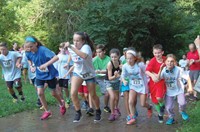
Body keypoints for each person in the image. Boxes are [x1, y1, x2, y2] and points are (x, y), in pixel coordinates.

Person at [25, 36, 66, 120]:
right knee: (40, 93)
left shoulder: (43, 50)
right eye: (27, 47)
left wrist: (46, 64)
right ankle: (47, 111)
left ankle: (62, 104)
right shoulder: (27, 52)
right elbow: (29, 59)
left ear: (36, 44)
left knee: (53, 93)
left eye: (31, 46)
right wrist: (32, 65)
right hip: (39, 74)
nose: (29, 49)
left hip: (50, 74)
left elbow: (56, 57)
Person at [64, 32, 101, 123]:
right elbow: (71, 55)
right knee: (73, 93)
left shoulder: (86, 47)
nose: (75, 43)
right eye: (74, 40)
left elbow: (83, 56)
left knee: (92, 95)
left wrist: (71, 47)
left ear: (83, 41)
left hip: (89, 73)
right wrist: (68, 63)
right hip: (78, 72)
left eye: (78, 41)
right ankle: (78, 112)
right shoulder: (72, 47)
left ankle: (98, 110)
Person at [158, 54, 193, 125]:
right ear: (165, 62)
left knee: (182, 103)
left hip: (179, 89)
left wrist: (190, 87)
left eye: (172, 61)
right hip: (169, 91)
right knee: (168, 107)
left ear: (175, 62)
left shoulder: (179, 69)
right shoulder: (164, 70)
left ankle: (182, 111)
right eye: (168, 61)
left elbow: (187, 77)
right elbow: (158, 79)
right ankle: (171, 118)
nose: (169, 63)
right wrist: (160, 69)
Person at [121, 49, 152, 125]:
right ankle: (133, 117)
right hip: (133, 86)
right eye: (127, 58)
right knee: (130, 102)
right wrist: (124, 80)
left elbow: (147, 71)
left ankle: (149, 107)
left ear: (135, 58)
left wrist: (152, 79)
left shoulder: (140, 65)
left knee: (142, 104)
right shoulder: (125, 66)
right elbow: (123, 75)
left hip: (142, 86)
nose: (129, 60)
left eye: (130, 58)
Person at [145, 44, 166, 123]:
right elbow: (147, 71)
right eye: (155, 53)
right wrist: (152, 75)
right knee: (155, 101)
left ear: (162, 52)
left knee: (159, 97)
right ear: (153, 53)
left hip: (161, 81)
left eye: (159, 53)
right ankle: (160, 114)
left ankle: (162, 105)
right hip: (153, 82)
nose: (157, 54)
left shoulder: (166, 59)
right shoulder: (152, 60)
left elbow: (172, 65)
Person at [93, 44, 111, 113]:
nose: (98, 54)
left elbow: (110, 70)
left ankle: (106, 106)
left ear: (104, 51)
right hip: (95, 77)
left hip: (104, 77)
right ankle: (90, 106)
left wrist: (101, 71)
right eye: (97, 52)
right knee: (89, 91)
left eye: (100, 52)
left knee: (107, 93)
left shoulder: (109, 59)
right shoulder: (94, 59)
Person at [105, 48, 121, 121]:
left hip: (116, 81)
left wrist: (121, 72)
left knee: (117, 98)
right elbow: (109, 78)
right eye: (112, 57)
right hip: (109, 81)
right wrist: (115, 76)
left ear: (118, 56)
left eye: (115, 57)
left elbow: (122, 73)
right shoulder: (110, 64)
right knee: (112, 97)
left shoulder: (120, 62)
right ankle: (112, 113)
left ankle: (116, 108)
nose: (113, 58)